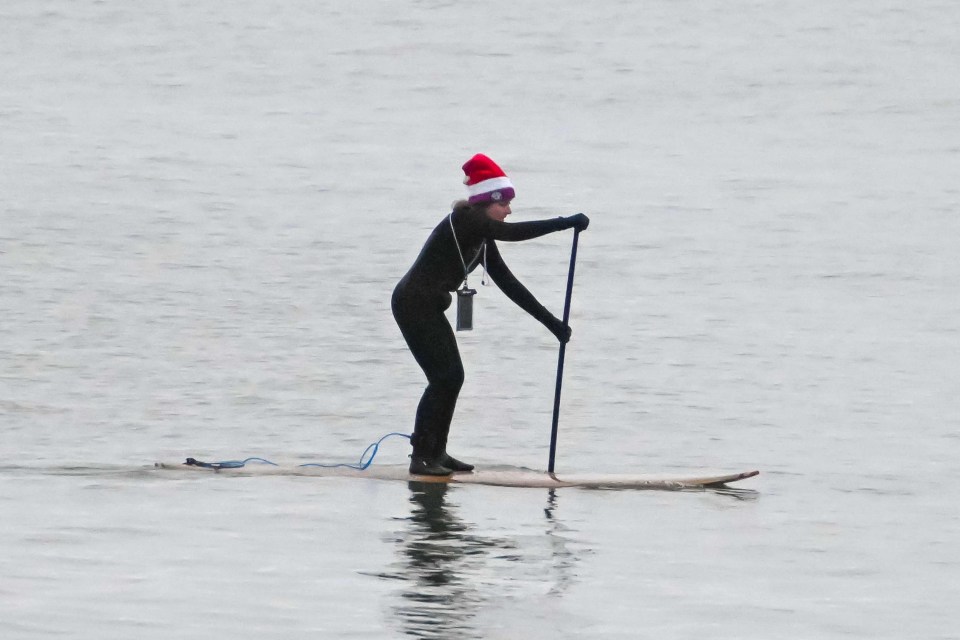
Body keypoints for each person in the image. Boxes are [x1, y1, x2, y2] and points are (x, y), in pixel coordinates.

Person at [392, 153, 590, 476]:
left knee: (450, 377)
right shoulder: (465, 220)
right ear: (487, 201)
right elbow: (514, 234)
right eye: (505, 204)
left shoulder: (482, 239)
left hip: (426, 307)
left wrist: (553, 324)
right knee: (446, 376)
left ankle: (436, 453)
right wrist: (563, 223)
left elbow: (512, 287)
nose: (510, 211)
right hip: (412, 304)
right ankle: (422, 457)